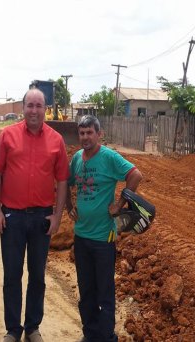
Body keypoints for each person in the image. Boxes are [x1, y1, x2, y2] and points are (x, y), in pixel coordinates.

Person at [0, 88, 69, 342]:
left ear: (45, 109)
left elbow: (63, 180)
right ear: (23, 108)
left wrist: (57, 216)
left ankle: (32, 327)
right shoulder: (7, 136)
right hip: (12, 217)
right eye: (30, 105)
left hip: (41, 219)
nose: (34, 111)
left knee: (37, 276)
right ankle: (13, 330)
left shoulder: (56, 140)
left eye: (39, 106)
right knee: (12, 275)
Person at [66, 115, 143, 342]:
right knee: (86, 291)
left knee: (105, 293)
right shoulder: (77, 158)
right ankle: (90, 334)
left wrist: (120, 204)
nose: (85, 137)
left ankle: (106, 336)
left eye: (90, 132)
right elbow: (67, 182)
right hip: (81, 235)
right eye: (82, 133)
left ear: (99, 134)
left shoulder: (109, 157)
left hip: (103, 237)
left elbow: (135, 175)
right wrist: (69, 206)